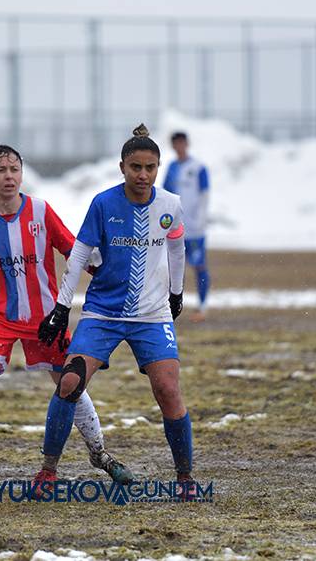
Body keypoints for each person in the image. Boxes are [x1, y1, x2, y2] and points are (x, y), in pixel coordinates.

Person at [0, 144, 134, 494]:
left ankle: (100, 454)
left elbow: (72, 249)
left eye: (14, 169)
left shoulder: (41, 211)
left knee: (69, 385)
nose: (9, 176)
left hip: (46, 319)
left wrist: (104, 271)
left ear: (22, 173)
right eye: (0, 170)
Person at [34, 124, 195, 496]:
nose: (143, 175)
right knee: (70, 381)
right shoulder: (103, 204)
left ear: (158, 169)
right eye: (135, 167)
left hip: (152, 314)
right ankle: (47, 472)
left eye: (150, 168)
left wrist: (176, 292)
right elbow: (77, 255)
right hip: (103, 312)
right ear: (122, 167)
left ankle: (185, 478)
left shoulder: (170, 205)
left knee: (168, 389)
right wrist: (61, 306)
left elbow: (176, 248)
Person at [163, 131, 211, 321]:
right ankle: (173, 306)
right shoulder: (172, 167)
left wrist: (201, 219)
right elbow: (165, 195)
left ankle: (202, 306)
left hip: (195, 228)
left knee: (199, 266)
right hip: (176, 228)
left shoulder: (198, 167)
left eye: (182, 143)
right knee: (174, 267)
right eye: (176, 143)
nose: (179, 146)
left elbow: (205, 195)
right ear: (173, 145)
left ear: (187, 144)